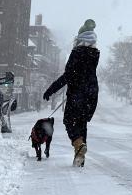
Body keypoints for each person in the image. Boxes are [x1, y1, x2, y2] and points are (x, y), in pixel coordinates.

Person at [43, 20, 100, 167]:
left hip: (78, 94)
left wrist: (51, 89)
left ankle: (78, 145)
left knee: (69, 122)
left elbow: (68, 76)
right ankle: (79, 159)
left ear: (80, 38)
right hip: (92, 93)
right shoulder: (95, 53)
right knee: (82, 124)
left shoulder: (77, 53)